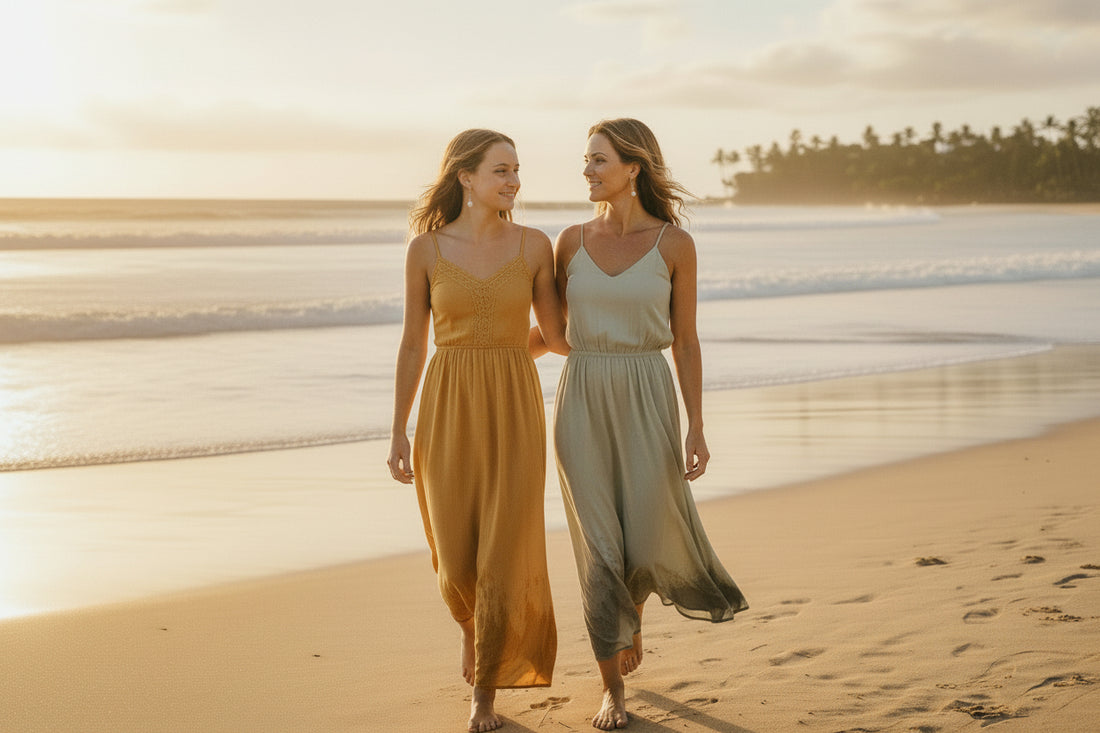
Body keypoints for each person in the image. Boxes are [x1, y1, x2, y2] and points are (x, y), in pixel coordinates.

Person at [550, 119, 748, 730]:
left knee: (640, 535)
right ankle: (612, 688)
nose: (587, 170)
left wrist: (697, 425)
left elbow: (686, 341)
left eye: (598, 160)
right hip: (581, 398)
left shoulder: (674, 245)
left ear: (632, 167)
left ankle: (629, 617)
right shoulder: (569, 241)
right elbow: (551, 332)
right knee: (599, 548)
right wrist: (481, 355)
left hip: (648, 394)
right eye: (586, 160)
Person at [387, 129, 568, 733]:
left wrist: (626, 337)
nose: (514, 180)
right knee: (455, 552)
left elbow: (555, 336)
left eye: (516, 170)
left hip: (514, 404)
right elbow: (412, 345)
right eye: (501, 170)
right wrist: (398, 430)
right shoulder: (425, 250)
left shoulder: (535, 245)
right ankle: (469, 628)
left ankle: (484, 693)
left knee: (502, 548)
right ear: (465, 177)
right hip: (446, 405)